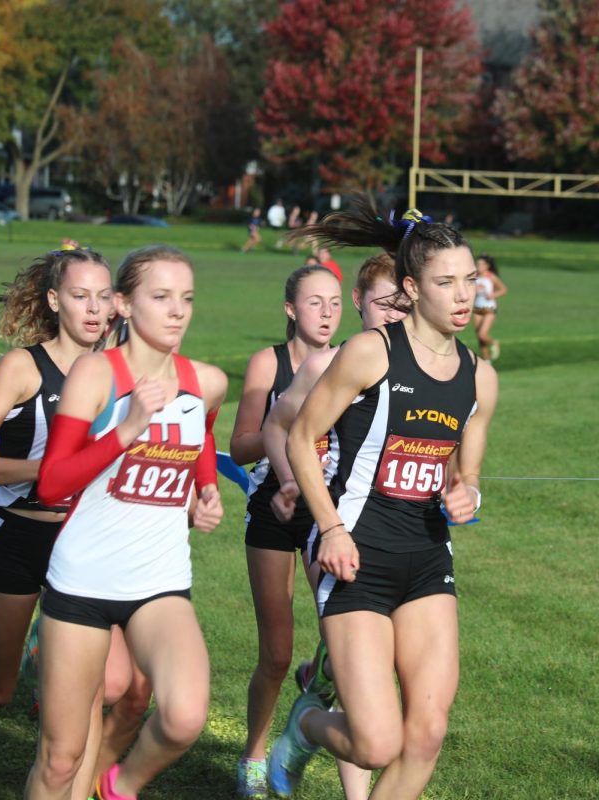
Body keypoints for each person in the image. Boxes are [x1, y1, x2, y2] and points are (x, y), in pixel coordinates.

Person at [266, 200, 498, 800]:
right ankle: (306, 725)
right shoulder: (371, 352)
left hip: (426, 556)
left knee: (425, 735)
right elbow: (298, 436)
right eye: (446, 282)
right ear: (413, 289)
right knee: (375, 743)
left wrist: (466, 492)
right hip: (356, 551)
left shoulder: (480, 377)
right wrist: (331, 529)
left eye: (470, 280)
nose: (463, 294)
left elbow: (465, 475)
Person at [0, 249, 147, 800]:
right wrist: (55, 470)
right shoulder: (25, 367)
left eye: (102, 297)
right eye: (79, 296)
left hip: (86, 541)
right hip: (16, 533)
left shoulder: (124, 368)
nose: (93, 310)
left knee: (104, 685)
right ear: (54, 301)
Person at [24, 244, 227, 800]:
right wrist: (127, 428)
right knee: (60, 760)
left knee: (184, 718)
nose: (177, 310)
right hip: (82, 583)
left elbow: (201, 432)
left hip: (159, 582)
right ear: (124, 304)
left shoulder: (206, 380)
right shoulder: (96, 374)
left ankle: (120, 785)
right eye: (160, 297)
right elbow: (52, 483)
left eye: (185, 298)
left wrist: (204, 487)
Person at [257, 253, 409, 800]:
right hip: (333, 525)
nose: (395, 311)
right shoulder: (330, 363)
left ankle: (319, 673)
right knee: (359, 677)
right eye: (384, 301)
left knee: (369, 665)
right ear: (363, 304)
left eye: (403, 301)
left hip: (397, 535)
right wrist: (288, 482)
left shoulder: (420, 370)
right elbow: (277, 425)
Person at [230, 265, 342, 798]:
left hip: (328, 512)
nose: (327, 313)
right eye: (315, 303)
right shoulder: (267, 363)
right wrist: (287, 426)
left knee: (342, 642)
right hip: (273, 508)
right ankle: (254, 754)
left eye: (336, 303)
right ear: (291, 309)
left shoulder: (350, 363)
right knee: (274, 654)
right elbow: (241, 444)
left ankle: (313, 679)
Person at [471, 254, 507, 361]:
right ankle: (486, 361)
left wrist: (493, 295)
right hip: (477, 308)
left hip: (489, 307)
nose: (479, 265)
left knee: (483, 334)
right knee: (479, 337)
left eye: (481, 264)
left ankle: (494, 343)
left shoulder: (491, 277)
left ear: (487, 266)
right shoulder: (474, 276)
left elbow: (503, 289)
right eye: (478, 263)